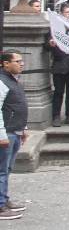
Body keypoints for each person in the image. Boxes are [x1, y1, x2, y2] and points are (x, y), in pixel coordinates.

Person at [44, 2, 69, 126]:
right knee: (59, 92)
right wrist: (50, 44)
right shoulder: (54, 27)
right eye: (67, 12)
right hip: (59, 64)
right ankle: (56, 116)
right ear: (61, 13)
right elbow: (46, 45)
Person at [0, 51, 28, 220]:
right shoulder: (2, 81)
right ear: (5, 64)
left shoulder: (13, 80)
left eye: (21, 61)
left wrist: (23, 128)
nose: (21, 64)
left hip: (15, 131)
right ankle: (0, 206)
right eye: (17, 61)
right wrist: (1, 135)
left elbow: (18, 106)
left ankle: (3, 199)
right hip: (7, 132)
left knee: (7, 169)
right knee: (1, 171)